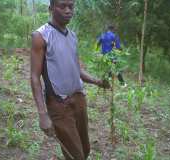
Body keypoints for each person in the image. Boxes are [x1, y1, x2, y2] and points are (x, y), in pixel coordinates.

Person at [31, 0, 108, 159]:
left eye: (71, 6)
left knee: (85, 149)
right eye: (62, 6)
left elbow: (76, 69)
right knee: (75, 155)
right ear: (51, 8)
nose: (68, 10)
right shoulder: (41, 36)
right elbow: (34, 77)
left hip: (79, 100)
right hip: (59, 105)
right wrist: (42, 114)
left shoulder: (72, 36)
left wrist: (97, 81)